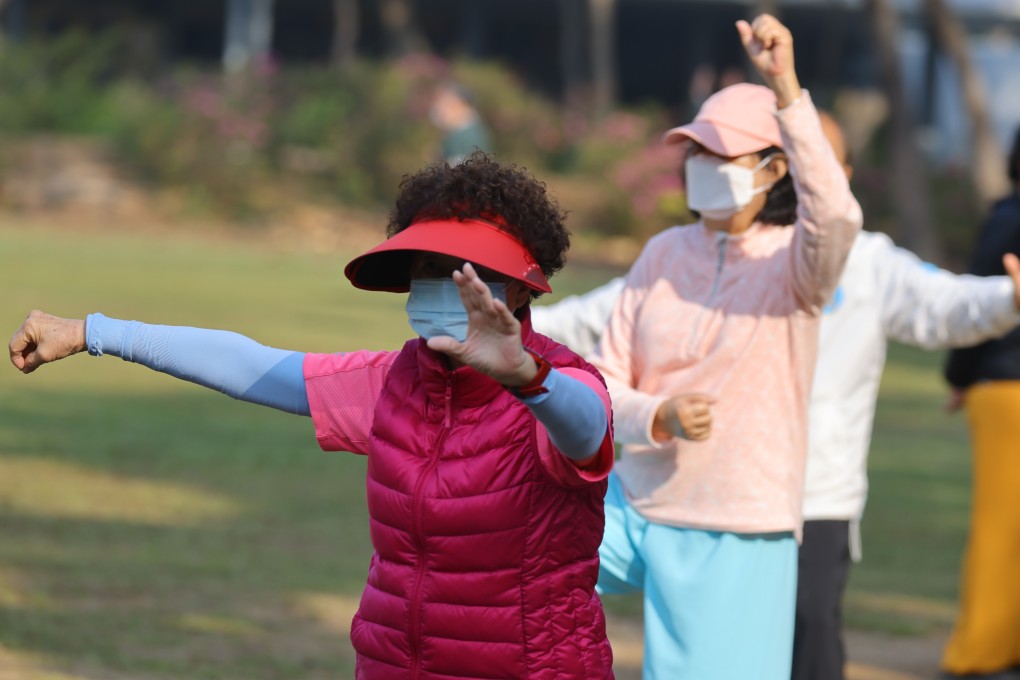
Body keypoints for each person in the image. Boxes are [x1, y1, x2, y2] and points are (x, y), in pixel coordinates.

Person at [8, 152, 618, 679]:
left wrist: (524, 378)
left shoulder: (560, 383)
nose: (444, 284)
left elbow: (586, 428)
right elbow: (248, 364)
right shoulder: (395, 382)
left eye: (466, 272)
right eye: (427, 270)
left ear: (517, 288)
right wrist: (93, 332)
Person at [534, 114, 1020, 680]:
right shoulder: (684, 254)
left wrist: (1008, 300)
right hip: (696, 491)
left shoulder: (856, 259)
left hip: (817, 492)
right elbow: (599, 319)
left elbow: (947, 307)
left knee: (808, 641)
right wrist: (508, 327)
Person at [577, 14, 864, 680]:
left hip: (734, 525)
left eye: (722, 155)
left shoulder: (795, 269)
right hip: (629, 503)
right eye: (696, 153)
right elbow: (604, 380)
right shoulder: (661, 254)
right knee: (512, 580)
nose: (703, 167)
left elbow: (838, 216)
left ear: (773, 169)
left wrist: (787, 89)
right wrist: (656, 415)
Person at [941, 127, 1020, 680]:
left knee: (1000, 525)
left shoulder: (1009, 218)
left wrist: (960, 376)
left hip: (1006, 388)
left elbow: (975, 306)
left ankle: (981, 652)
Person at [429, 82, 492, 165]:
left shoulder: (469, 136)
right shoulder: (458, 133)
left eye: (446, 105)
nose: (441, 110)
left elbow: (457, 171)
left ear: (461, 104)